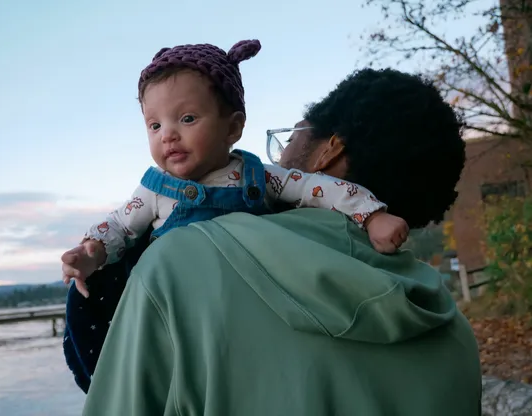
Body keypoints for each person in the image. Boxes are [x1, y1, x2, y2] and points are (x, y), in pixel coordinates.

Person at [80, 68, 482, 416]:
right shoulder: (456, 335)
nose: (280, 152)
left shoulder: (176, 266)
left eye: (290, 136)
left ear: (329, 152)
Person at [61, 39, 406, 300]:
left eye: (187, 118)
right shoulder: (155, 190)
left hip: (255, 297)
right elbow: (121, 225)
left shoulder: (257, 177)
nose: (167, 134)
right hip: (177, 300)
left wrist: (371, 215)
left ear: (233, 127)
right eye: (154, 125)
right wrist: (92, 253)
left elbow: (316, 188)